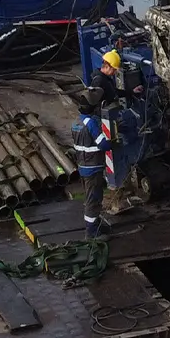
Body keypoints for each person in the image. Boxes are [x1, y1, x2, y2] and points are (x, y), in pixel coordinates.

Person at [72, 88, 115, 238]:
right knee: (93, 199)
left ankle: (95, 225)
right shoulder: (91, 124)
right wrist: (114, 142)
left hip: (83, 166)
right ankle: (91, 233)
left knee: (91, 197)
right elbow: (103, 145)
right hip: (93, 167)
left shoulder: (76, 122)